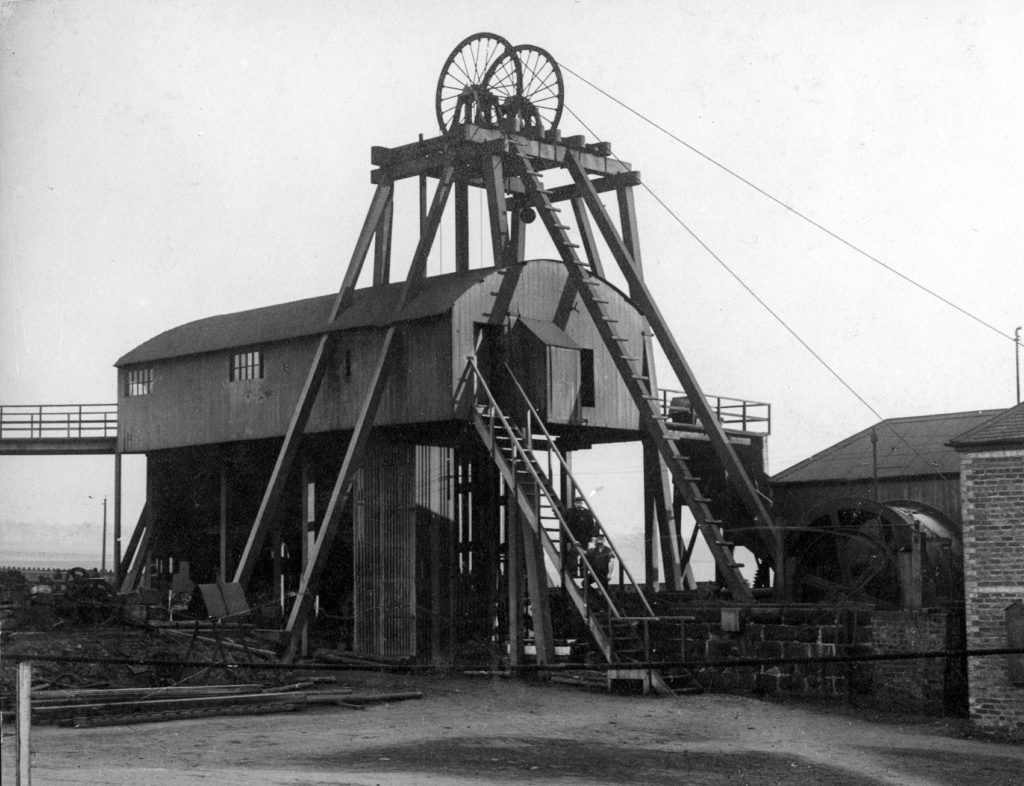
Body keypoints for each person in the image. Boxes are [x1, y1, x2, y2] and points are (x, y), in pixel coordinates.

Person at [565, 498, 597, 576]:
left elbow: (591, 525)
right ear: (574, 503)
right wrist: (571, 538)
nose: (579, 504)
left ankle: (583, 571)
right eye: (577, 503)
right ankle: (574, 571)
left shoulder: (586, 512)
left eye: (580, 503)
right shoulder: (570, 512)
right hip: (574, 537)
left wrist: (592, 536)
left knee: (584, 553)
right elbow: (566, 525)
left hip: (584, 537)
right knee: (573, 553)